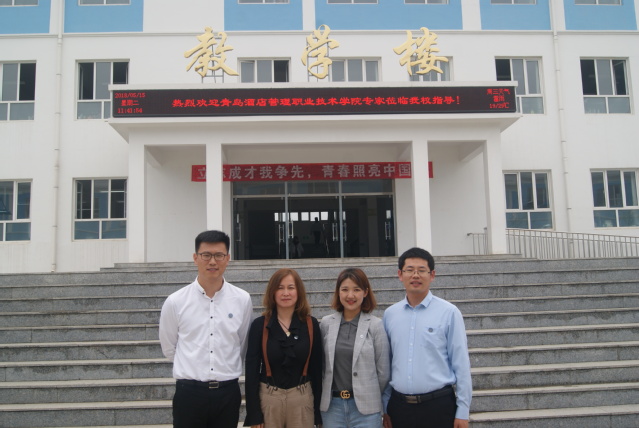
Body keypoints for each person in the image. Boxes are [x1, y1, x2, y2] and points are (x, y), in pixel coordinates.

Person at [159, 230, 253, 428]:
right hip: (189, 394)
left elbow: (242, 343)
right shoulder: (176, 301)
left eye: (219, 255)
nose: (212, 261)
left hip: (227, 394)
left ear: (227, 258)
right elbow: (169, 347)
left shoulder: (242, 299)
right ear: (195, 258)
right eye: (206, 255)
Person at [382, 247, 472, 428]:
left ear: (432, 275)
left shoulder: (449, 312)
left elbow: (461, 364)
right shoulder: (390, 314)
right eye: (409, 270)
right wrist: (385, 407)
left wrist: (463, 411)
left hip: (438, 406)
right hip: (399, 408)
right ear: (400, 275)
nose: (415, 275)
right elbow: (387, 363)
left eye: (421, 270)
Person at [244, 268, 323, 428]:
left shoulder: (311, 325)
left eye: (291, 287)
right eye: (280, 288)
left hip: (302, 400)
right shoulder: (259, 325)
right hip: (269, 400)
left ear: (298, 291)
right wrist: (254, 414)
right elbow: (251, 372)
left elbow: (317, 370)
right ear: (272, 292)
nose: (285, 293)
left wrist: (318, 414)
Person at [320, 268, 390, 428]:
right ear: (338, 292)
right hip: (332, 408)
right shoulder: (326, 324)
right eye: (345, 289)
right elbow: (322, 367)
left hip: (366, 410)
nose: (350, 295)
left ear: (365, 292)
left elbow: (383, 372)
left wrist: (367, 391)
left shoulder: (376, 325)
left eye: (356, 290)